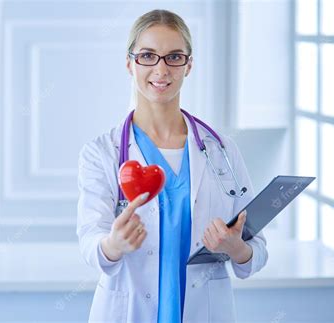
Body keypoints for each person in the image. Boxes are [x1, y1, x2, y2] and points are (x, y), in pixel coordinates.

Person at [76, 9, 268, 323]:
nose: (161, 70)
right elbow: (89, 241)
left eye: (174, 57)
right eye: (148, 56)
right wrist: (113, 244)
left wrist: (236, 248)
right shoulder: (102, 153)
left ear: (188, 65)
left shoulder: (221, 150)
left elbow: (256, 248)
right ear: (130, 64)